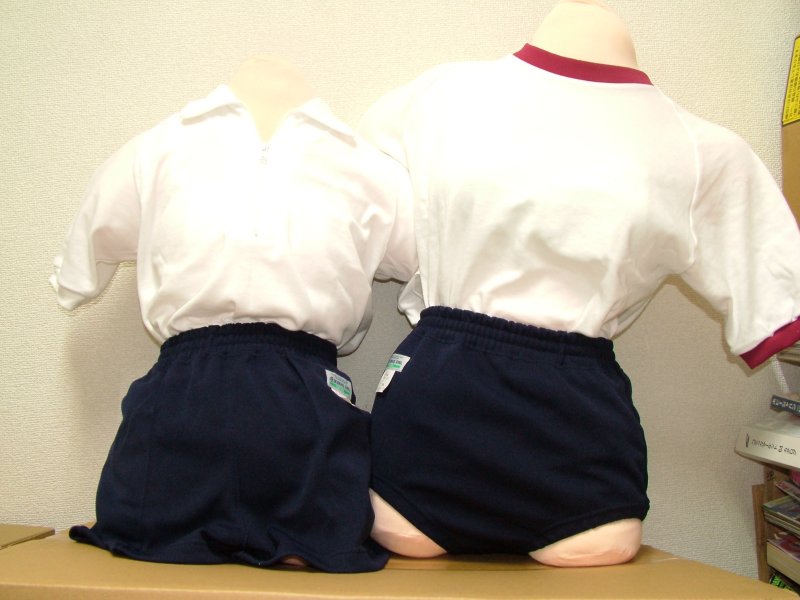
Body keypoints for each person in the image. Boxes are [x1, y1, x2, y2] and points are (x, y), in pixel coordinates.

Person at [358, 0, 800, 567]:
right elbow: (364, 220)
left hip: (575, 433)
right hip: (434, 414)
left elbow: (773, 299)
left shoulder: (706, 154)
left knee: (595, 545)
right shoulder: (437, 97)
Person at [50, 54, 415, 573]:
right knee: (151, 548)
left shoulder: (368, 170)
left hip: (306, 406)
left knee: (319, 544)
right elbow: (82, 261)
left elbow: (433, 270)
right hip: (182, 405)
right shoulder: (159, 150)